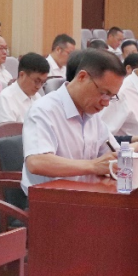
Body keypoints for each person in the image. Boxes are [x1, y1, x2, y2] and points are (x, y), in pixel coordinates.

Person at [21, 50, 127, 194]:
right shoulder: (44, 110)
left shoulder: (92, 114)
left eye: (111, 96)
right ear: (82, 77)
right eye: (104, 93)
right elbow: (37, 162)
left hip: (87, 196)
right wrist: (92, 166)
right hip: (50, 201)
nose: (106, 103)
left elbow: (113, 153)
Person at [0, 53, 49, 123]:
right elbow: (8, 130)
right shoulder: (6, 99)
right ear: (22, 75)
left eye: (42, 82)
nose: (39, 87)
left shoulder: (37, 97)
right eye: (37, 81)